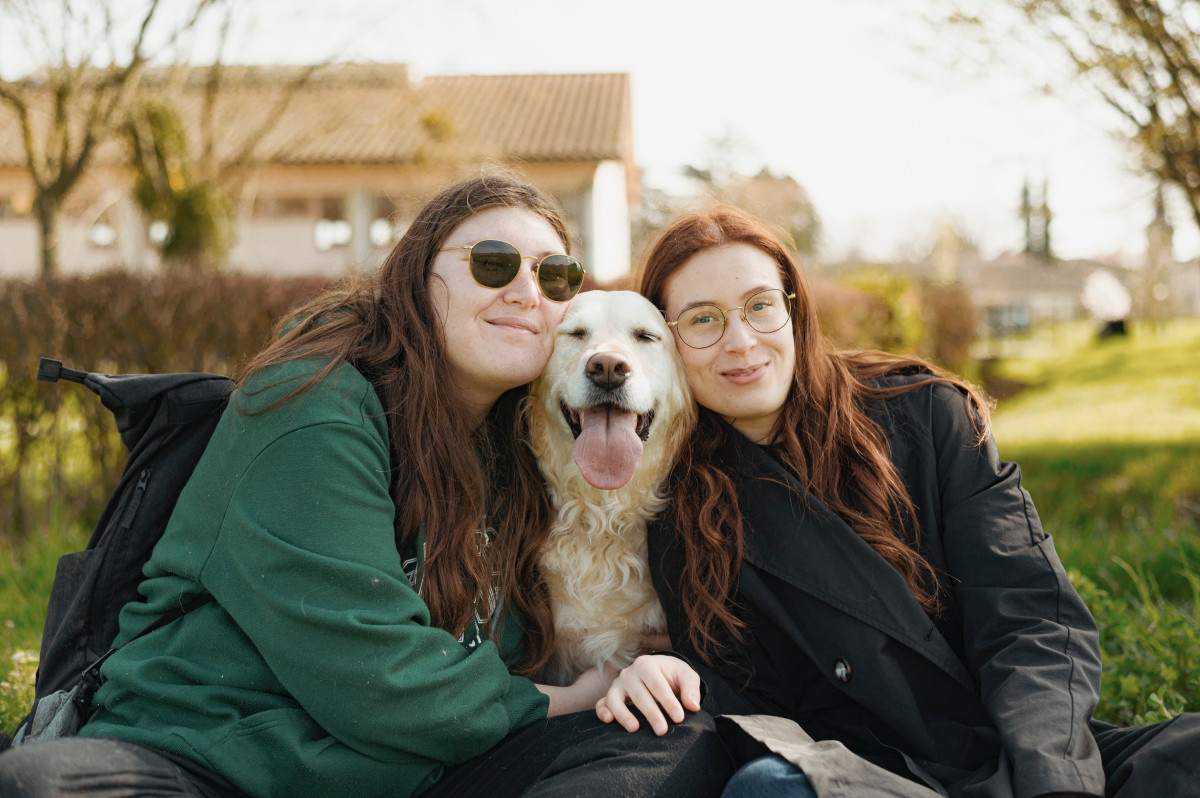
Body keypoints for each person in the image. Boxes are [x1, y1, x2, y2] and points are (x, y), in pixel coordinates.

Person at [0, 175, 733, 798]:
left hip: (414, 772)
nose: (523, 290)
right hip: (219, 760)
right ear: (420, 274)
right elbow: (380, 682)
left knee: (674, 741)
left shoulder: (518, 444)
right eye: (492, 263)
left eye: (553, 276)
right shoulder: (310, 403)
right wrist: (580, 695)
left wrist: (638, 668)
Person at [601, 204, 1200, 798]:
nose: (741, 341)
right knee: (770, 789)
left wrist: (1055, 783)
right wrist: (681, 678)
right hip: (871, 777)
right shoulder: (675, 504)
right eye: (703, 320)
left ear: (794, 311)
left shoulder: (928, 416)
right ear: (666, 343)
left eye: (760, 306)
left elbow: (1028, 614)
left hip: (1021, 751)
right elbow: (751, 704)